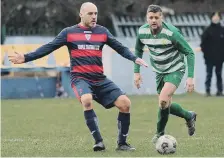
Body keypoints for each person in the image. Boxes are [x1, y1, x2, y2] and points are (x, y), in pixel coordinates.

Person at [8, 2, 148, 151]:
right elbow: (48, 47)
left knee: (125, 103)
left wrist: (134, 58)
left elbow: (120, 48)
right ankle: (98, 141)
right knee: (86, 99)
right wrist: (26, 57)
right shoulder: (68, 32)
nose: (94, 17)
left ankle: (122, 144)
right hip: (80, 78)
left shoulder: (103, 32)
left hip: (99, 79)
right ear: (81, 14)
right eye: (90, 14)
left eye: (96, 13)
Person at [133, 5, 197, 144]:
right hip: (159, 71)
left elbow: (190, 52)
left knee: (163, 100)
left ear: (161, 17)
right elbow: (138, 50)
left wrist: (190, 77)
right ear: (147, 18)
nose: (154, 20)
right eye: (151, 17)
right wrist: (136, 72)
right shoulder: (142, 32)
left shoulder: (171, 33)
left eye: (157, 17)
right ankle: (188, 115)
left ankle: (159, 134)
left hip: (175, 69)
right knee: (165, 104)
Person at [200, 12, 224, 96]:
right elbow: (203, 44)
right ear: (211, 18)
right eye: (214, 16)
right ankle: (207, 91)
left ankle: (220, 91)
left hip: (220, 58)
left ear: (220, 18)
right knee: (209, 74)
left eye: (217, 16)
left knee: (219, 74)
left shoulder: (222, 30)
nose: (216, 18)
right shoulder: (207, 30)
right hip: (209, 58)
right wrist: (206, 54)